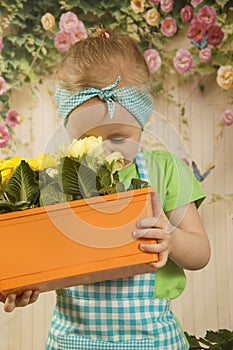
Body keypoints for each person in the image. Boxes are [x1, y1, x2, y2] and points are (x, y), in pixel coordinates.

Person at [1, 28, 211, 349]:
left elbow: (200, 253)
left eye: (117, 137)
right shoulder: (54, 179)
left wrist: (170, 238)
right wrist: (23, 283)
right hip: (73, 340)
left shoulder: (165, 170)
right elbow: (37, 253)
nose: (105, 150)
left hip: (152, 340)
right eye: (87, 139)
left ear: (142, 121)